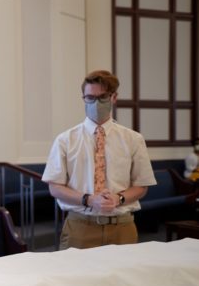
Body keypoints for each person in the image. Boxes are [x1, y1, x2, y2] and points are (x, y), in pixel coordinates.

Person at [42, 70, 156, 249]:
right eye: (90, 98)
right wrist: (89, 199)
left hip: (122, 227)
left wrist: (118, 199)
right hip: (80, 226)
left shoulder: (133, 139)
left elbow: (141, 185)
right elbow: (55, 187)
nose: (96, 103)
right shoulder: (65, 140)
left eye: (102, 97)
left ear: (114, 97)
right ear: (83, 98)